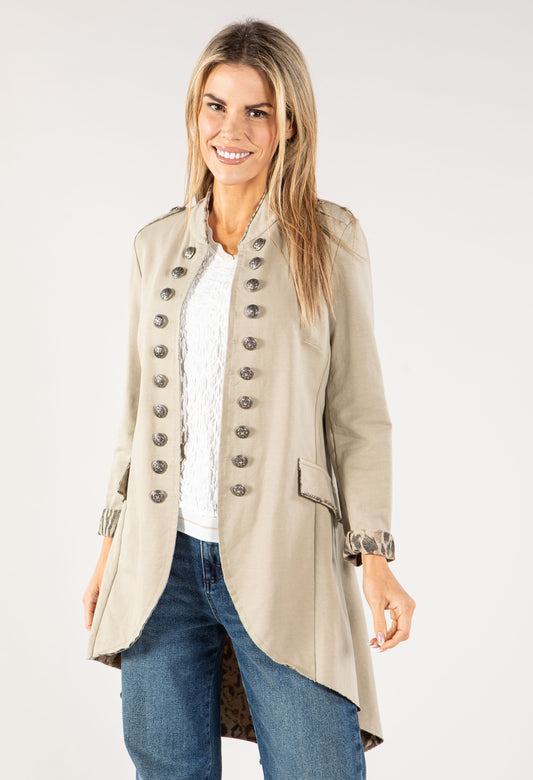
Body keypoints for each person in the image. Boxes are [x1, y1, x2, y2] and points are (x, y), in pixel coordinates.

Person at [82, 18, 415, 780]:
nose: (230, 130)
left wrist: (374, 558)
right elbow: (134, 416)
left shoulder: (329, 240)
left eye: (256, 111)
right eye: (215, 106)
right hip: (158, 565)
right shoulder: (154, 246)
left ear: (288, 124)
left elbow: (358, 416)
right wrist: (109, 552)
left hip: (286, 559)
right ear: (194, 114)